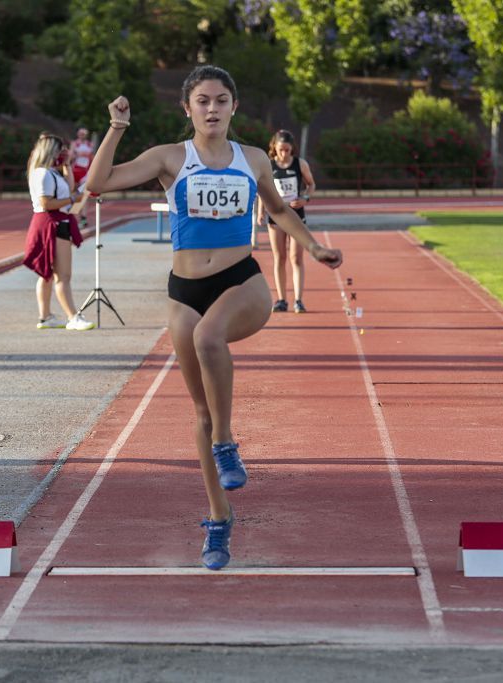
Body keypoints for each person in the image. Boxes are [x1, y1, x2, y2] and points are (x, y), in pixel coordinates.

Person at [84, 65, 343, 571]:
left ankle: (228, 443)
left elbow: (279, 211)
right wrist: (116, 127)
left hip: (242, 281)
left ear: (233, 107)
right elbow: (98, 184)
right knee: (199, 413)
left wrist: (313, 246)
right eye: (202, 100)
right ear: (188, 108)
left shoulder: (253, 159)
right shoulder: (169, 157)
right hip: (184, 290)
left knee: (208, 339)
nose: (212, 109)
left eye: (221, 100)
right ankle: (219, 519)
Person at [21, 132, 95, 332]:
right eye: (59, 149)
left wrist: (67, 165)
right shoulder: (43, 173)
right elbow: (47, 203)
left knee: (47, 274)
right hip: (52, 223)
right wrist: (72, 200)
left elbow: (70, 189)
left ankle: (45, 317)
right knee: (63, 275)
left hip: (53, 221)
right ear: (50, 150)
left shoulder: (49, 172)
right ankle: (73, 317)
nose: (63, 152)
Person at [255, 130, 316, 314]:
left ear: (292, 149)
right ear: (275, 147)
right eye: (281, 150)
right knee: (279, 257)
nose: (284, 153)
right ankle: (281, 300)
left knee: (296, 258)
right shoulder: (269, 166)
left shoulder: (300, 164)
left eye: (288, 150)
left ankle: (298, 300)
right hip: (276, 215)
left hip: (296, 214)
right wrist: (260, 212)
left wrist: (305, 198)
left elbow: (311, 184)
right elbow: (262, 191)